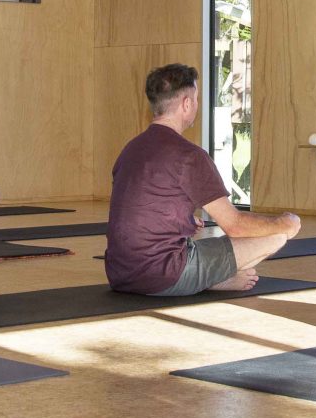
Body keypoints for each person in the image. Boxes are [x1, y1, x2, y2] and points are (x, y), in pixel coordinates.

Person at [105, 64, 300, 296]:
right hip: (165, 276)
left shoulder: (130, 149)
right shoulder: (189, 155)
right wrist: (284, 223)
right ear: (187, 104)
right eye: (196, 99)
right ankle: (212, 278)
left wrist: (183, 219)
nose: (197, 105)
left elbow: (139, 205)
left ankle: (209, 278)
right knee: (276, 236)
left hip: (120, 274)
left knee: (201, 246)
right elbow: (234, 225)